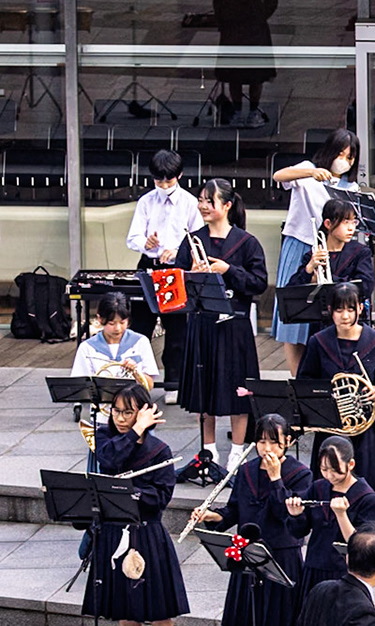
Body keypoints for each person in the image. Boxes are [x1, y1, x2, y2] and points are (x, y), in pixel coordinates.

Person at [187, 413, 312, 626]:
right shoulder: (245, 471)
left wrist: (276, 479)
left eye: (274, 442)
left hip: (283, 554)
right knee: (261, 625)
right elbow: (235, 510)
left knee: (291, 624)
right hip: (247, 552)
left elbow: (287, 516)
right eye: (261, 441)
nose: (266, 448)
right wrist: (213, 515)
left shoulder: (301, 474)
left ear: (288, 443)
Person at [88, 386, 189, 626]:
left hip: (147, 531)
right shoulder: (106, 441)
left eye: (128, 412)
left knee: (159, 605)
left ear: (144, 412)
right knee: (123, 604)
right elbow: (109, 457)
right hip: (114, 530)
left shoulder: (159, 451)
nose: (120, 418)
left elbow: (161, 497)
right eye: (116, 411)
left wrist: (131, 493)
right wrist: (133, 432)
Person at [179, 180, 267, 485]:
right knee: (205, 388)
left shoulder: (246, 242)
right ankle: (209, 451)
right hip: (202, 322)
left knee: (237, 389)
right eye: (201, 201)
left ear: (226, 206)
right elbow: (177, 284)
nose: (203, 206)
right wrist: (191, 272)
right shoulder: (193, 240)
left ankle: (237, 452)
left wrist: (227, 270)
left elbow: (258, 282)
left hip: (235, 323)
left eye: (209, 201)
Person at [296, 282, 375, 504]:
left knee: (372, 498)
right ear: (330, 311)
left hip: (367, 431)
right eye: (339, 309)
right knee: (326, 496)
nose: (345, 316)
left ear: (360, 309)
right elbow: (304, 383)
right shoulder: (318, 342)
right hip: (331, 430)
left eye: (351, 309)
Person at [271, 128, 359, 375]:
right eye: (340, 153)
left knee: (322, 315)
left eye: (350, 157)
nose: (344, 160)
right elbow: (279, 175)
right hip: (299, 243)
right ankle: (296, 378)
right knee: (294, 314)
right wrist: (311, 172)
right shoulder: (307, 170)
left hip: (330, 251)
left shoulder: (349, 187)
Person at [123, 149, 197, 389]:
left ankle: (174, 381)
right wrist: (146, 243)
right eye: (159, 180)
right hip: (149, 266)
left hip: (175, 270)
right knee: (140, 325)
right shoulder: (146, 201)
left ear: (180, 175)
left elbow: (196, 240)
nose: (164, 185)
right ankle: (136, 377)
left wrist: (177, 252)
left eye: (169, 179)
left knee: (176, 328)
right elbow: (132, 237)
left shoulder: (189, 202)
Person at [297, 435, 375, 610]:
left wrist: (341, 515)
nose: (329, 475)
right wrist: (295, 514)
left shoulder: (368, 499)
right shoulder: (318, 488)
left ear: (351, 464)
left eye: (335, 470)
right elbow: (299, 531)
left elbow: (361, 545)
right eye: (324, 469)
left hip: (344, 573)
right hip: (314, 567)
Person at [212, 0, 278, 130]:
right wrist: (259, 16)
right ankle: (252, 112)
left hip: (233, 28)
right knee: (256, 74)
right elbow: (272, 1)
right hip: (255, 29)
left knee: (234, 74)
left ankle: (237, 111)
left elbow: (218, 0)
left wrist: (225, 20)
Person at [72, 292, 160, 389]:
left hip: (133, 402)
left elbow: (149, 386)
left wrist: (136, 373)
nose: (117, 328)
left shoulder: (141, 341)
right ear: (100, 319)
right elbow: (80, 386)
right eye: (111, 323)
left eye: (122, 322)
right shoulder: (87, 347)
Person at [307, 198, 375, 317]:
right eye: (345, 222)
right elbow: (291, 292)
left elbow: (365, 287)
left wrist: (325, 282)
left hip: (353, 320)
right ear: (328, 224)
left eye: (354, 222)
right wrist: (308, 270)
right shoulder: (314, 254)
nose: (351, 228)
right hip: (321, 323)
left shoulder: (361, 253)